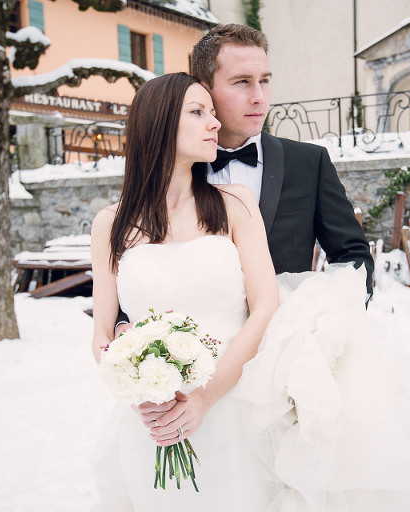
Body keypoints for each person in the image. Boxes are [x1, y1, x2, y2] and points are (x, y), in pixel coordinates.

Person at [90, 72, 280, 510]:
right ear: (157, 125)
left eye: (212, 113)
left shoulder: (234, 204)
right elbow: (102, 333)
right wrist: (138, 386)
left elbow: (265, 305)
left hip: (237, 408)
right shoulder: (110, 225)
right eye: (198, 113)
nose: (214, 123)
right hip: (155, 420)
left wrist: (203, 398)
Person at [113, 23, 374, 338]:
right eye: (242, 82)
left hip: (288, 352)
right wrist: (125, 328)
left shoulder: (309, 163)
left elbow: (352, 257)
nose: (259, 97)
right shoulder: (173, 171)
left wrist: (332, 322)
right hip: (197, 359)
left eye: (265, 81)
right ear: (204, 87)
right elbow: (136, 265)